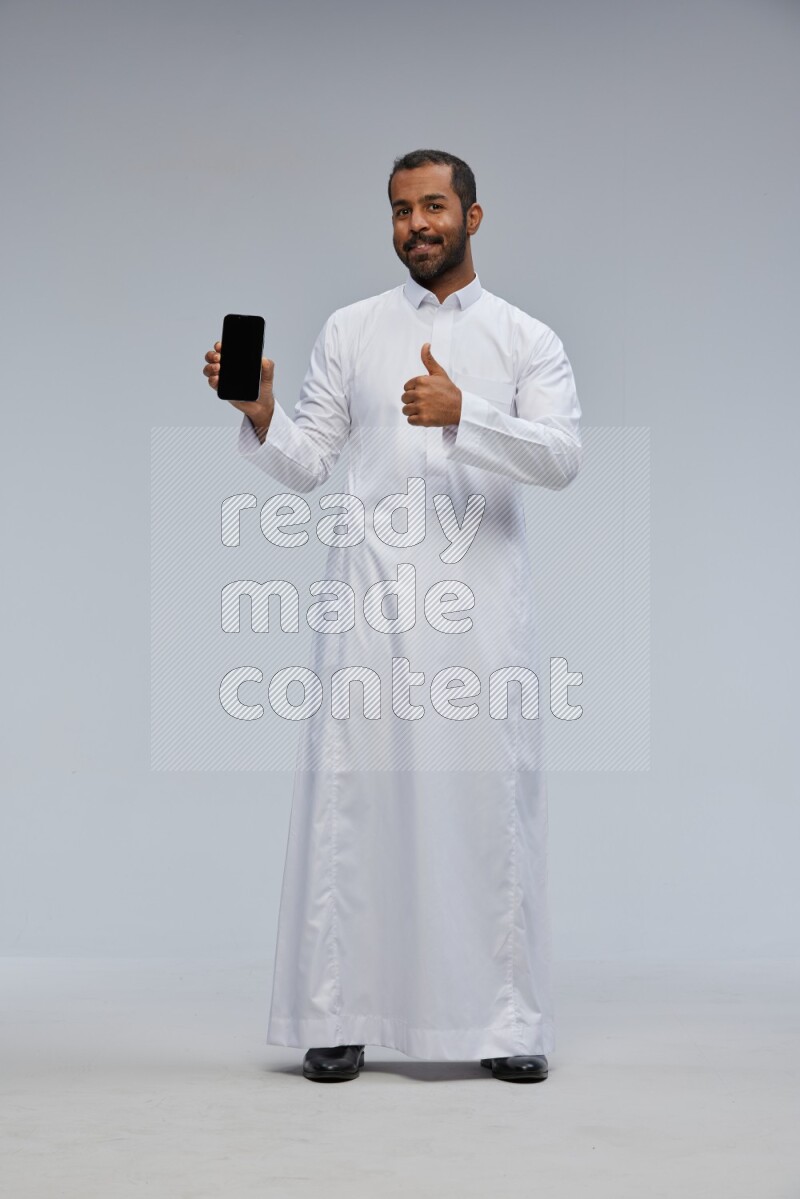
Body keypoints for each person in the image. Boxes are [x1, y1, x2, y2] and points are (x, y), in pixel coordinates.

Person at [202, 149, 582, 1083]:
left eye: (435, 206)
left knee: (487, 810)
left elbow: (562, 458)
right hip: (370, 610)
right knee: (356, 806)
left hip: (479, 618)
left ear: (473, 217)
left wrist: (466, 412)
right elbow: (307, 463)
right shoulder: (353, 329)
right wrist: (262, 412)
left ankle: (504, 1020)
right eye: (403, 210)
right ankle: (338, 1014)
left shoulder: (526, 338)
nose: (418, 224)